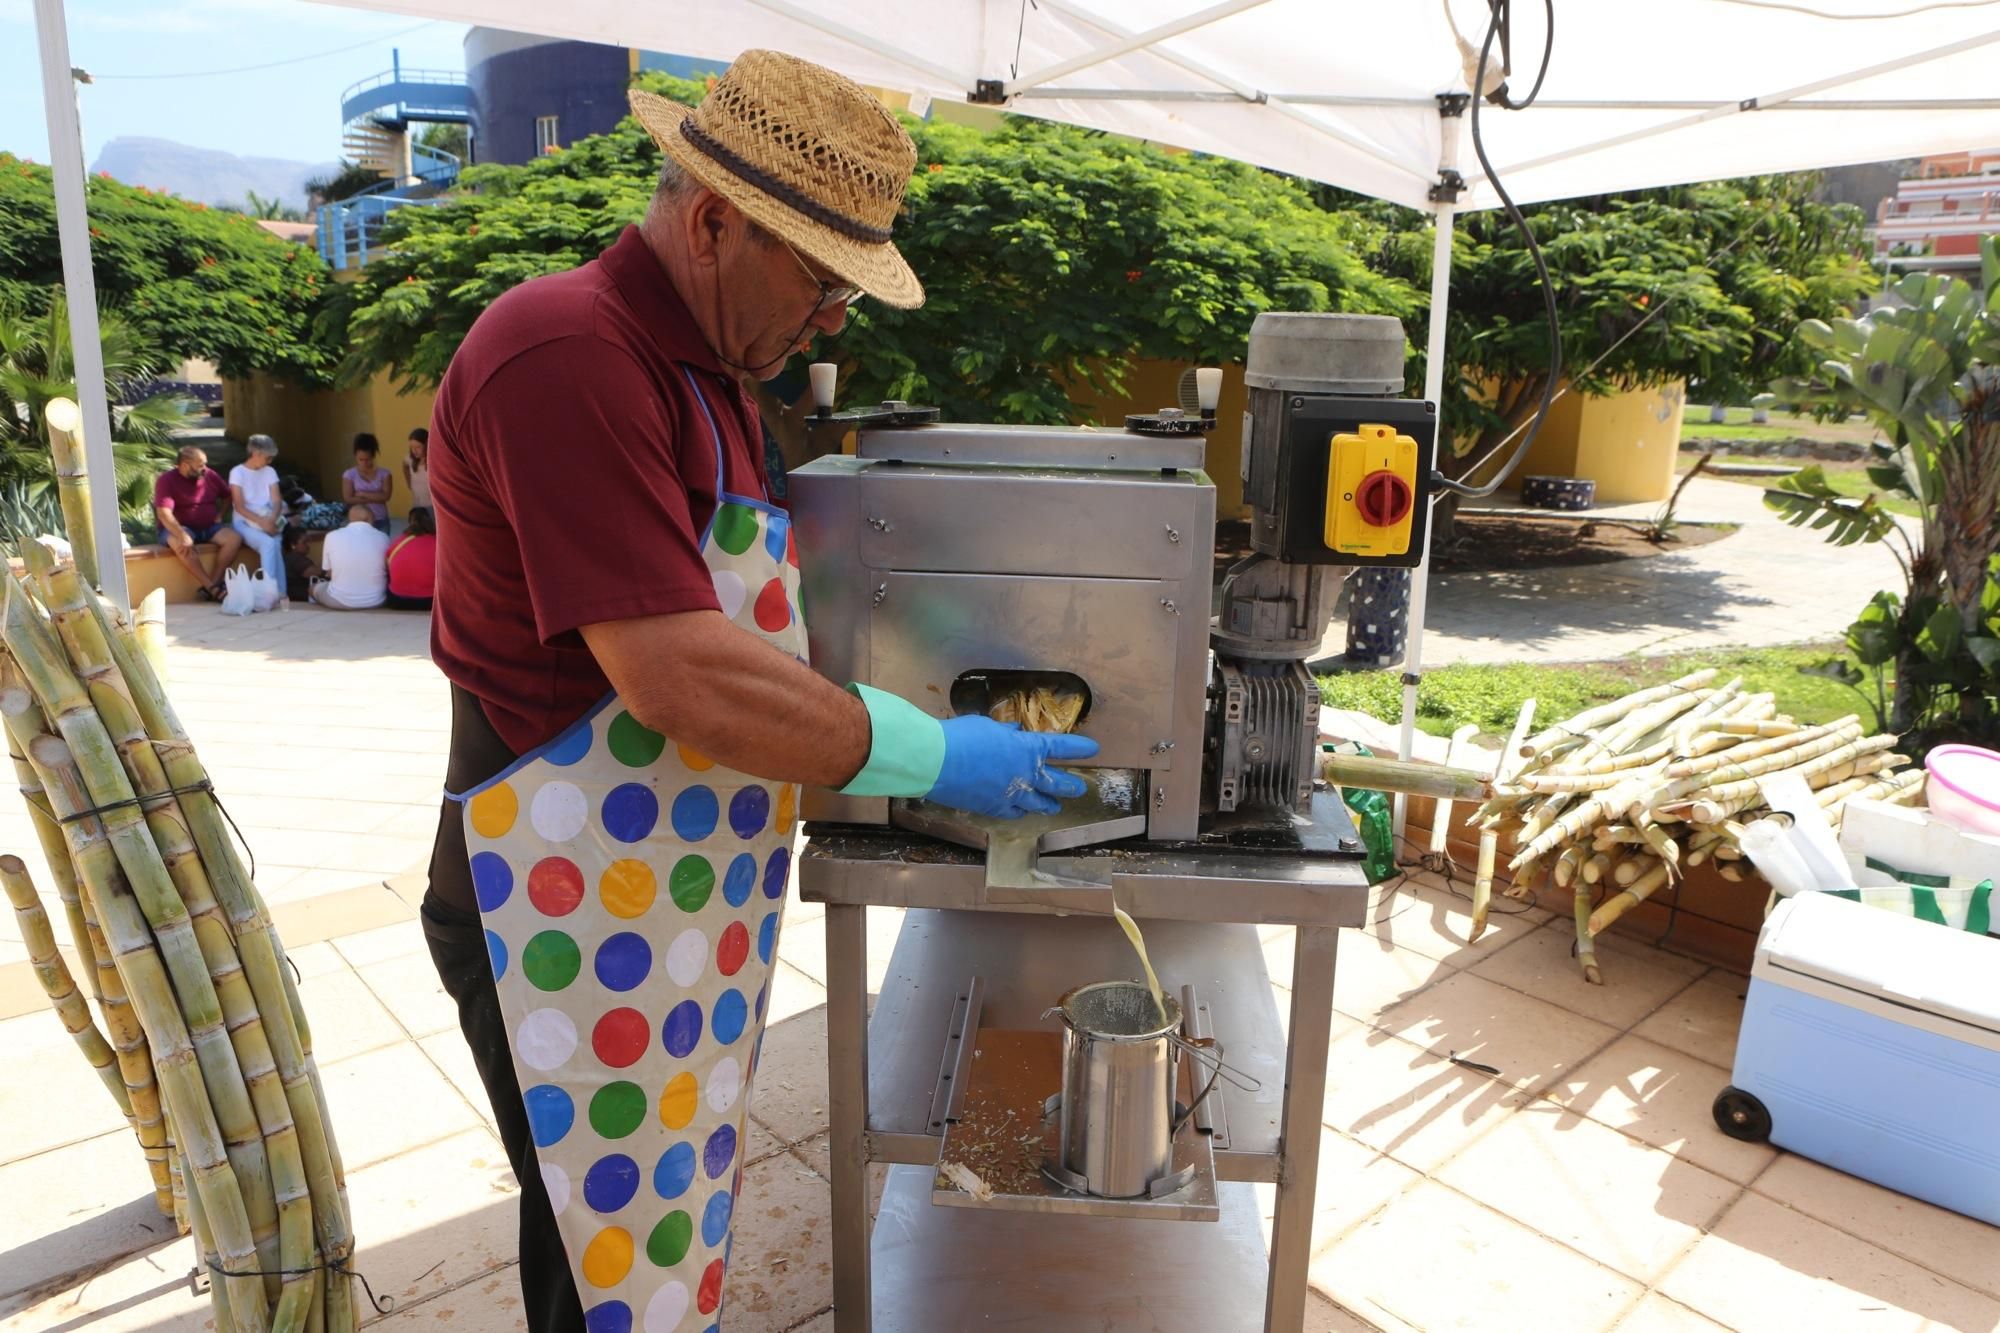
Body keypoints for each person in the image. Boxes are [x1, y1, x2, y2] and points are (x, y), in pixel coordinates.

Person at [422, 51, 1097, 1333]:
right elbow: (678, 670)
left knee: (663, 1235)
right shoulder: (563, 350)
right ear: (716, 220)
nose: (835, 317)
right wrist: (926, 752)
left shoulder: (714, 383)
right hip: (552, 911)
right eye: (822, 277)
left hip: (671, 903)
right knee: (600, 1261)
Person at [152, 445, 242, 600]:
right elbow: (164, 513)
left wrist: (220, 514)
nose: (205, 468)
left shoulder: (209, 475)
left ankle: (211, 586)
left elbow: (228, 494)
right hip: (179, 527)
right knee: (181, 543)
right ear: (185, 465)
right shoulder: (166, 480)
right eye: (200, 465)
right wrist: (181, 534)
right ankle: (213, 588)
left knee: (234, 539)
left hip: (209, 527)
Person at [228, 435, 286, 598]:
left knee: (275, 542)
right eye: (267, 457)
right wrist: (262, 522)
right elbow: (239, 506)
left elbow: (276, 500)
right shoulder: (237, 472)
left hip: (267, 518)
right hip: (244, 522)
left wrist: (272, 519)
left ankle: (281, 592)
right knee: (268, 543)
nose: (269, 461)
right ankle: (269, 593)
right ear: (255, 453)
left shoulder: (270, 471)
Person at [309, 505, 390, 610]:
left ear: (350, 519)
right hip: (376, 600)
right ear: (370, 519)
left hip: (339, 600)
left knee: (313, 588)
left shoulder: (332, 536)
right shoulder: (383, 537)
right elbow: (388, 569)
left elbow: (329, 572)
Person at [384, 506, 436, 610]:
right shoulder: (439, 543)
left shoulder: (400, 541)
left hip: (398, 601)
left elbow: (387, 566)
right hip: (430, 601)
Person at [342, 433, 394, 533]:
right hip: (358, 522)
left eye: (368, 459)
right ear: (355, 456)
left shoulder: (385, 474)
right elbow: (348, 498)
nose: (364, 463)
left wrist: (362, 494)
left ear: (373, 456)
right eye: (360, 459)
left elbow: (386, 496)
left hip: (380, 519)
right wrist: (376, 497)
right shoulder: (349, 475)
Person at [280, 525, 319, 603]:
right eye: (304, 542)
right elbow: (314, 573)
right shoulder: (293, 558)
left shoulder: (294, 556)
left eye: (308, 541)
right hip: (299, 595)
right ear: (293, 545)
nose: (308, 545)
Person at [402, 427, 432, 523]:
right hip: (417, 507)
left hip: (432, 507)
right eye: (412, 447)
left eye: (418, 447)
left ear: (427, 444)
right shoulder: (410, 460)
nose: (414, 451)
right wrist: (409, 483)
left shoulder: (433, 461)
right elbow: (404, 465)